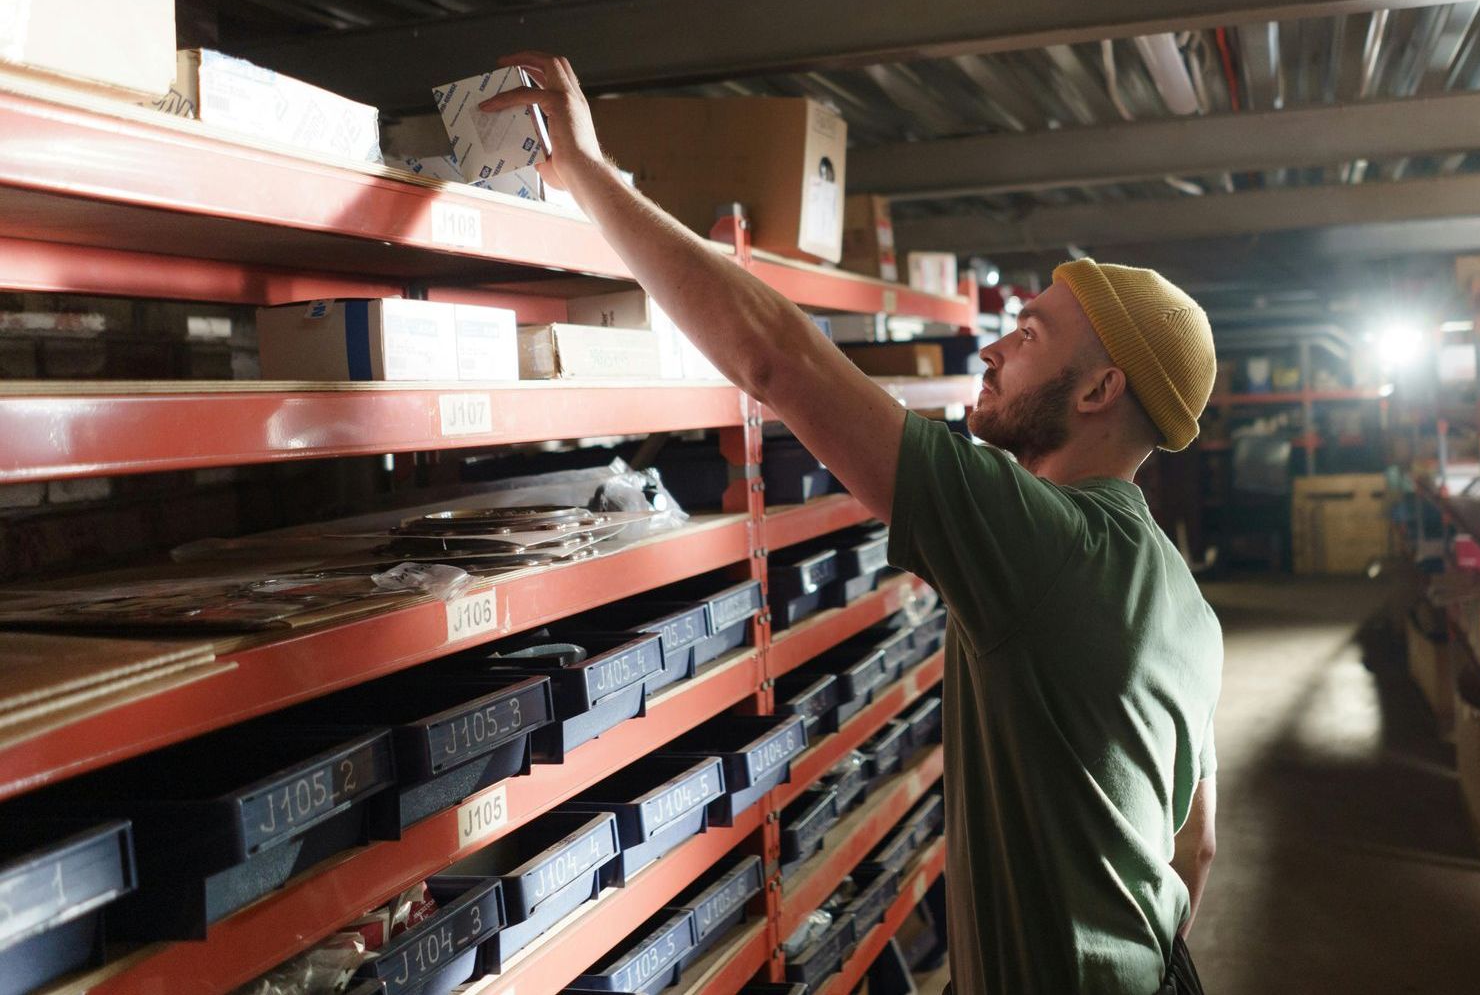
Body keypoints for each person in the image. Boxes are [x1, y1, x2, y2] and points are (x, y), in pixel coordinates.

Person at [483, 53, 1222, 995]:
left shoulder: (1044, 541)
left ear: (1100, 390)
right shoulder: (1182, 599)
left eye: (1029, 333)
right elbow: (1195, 849)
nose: (993, 345)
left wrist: (585, 170)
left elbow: (778, 359)